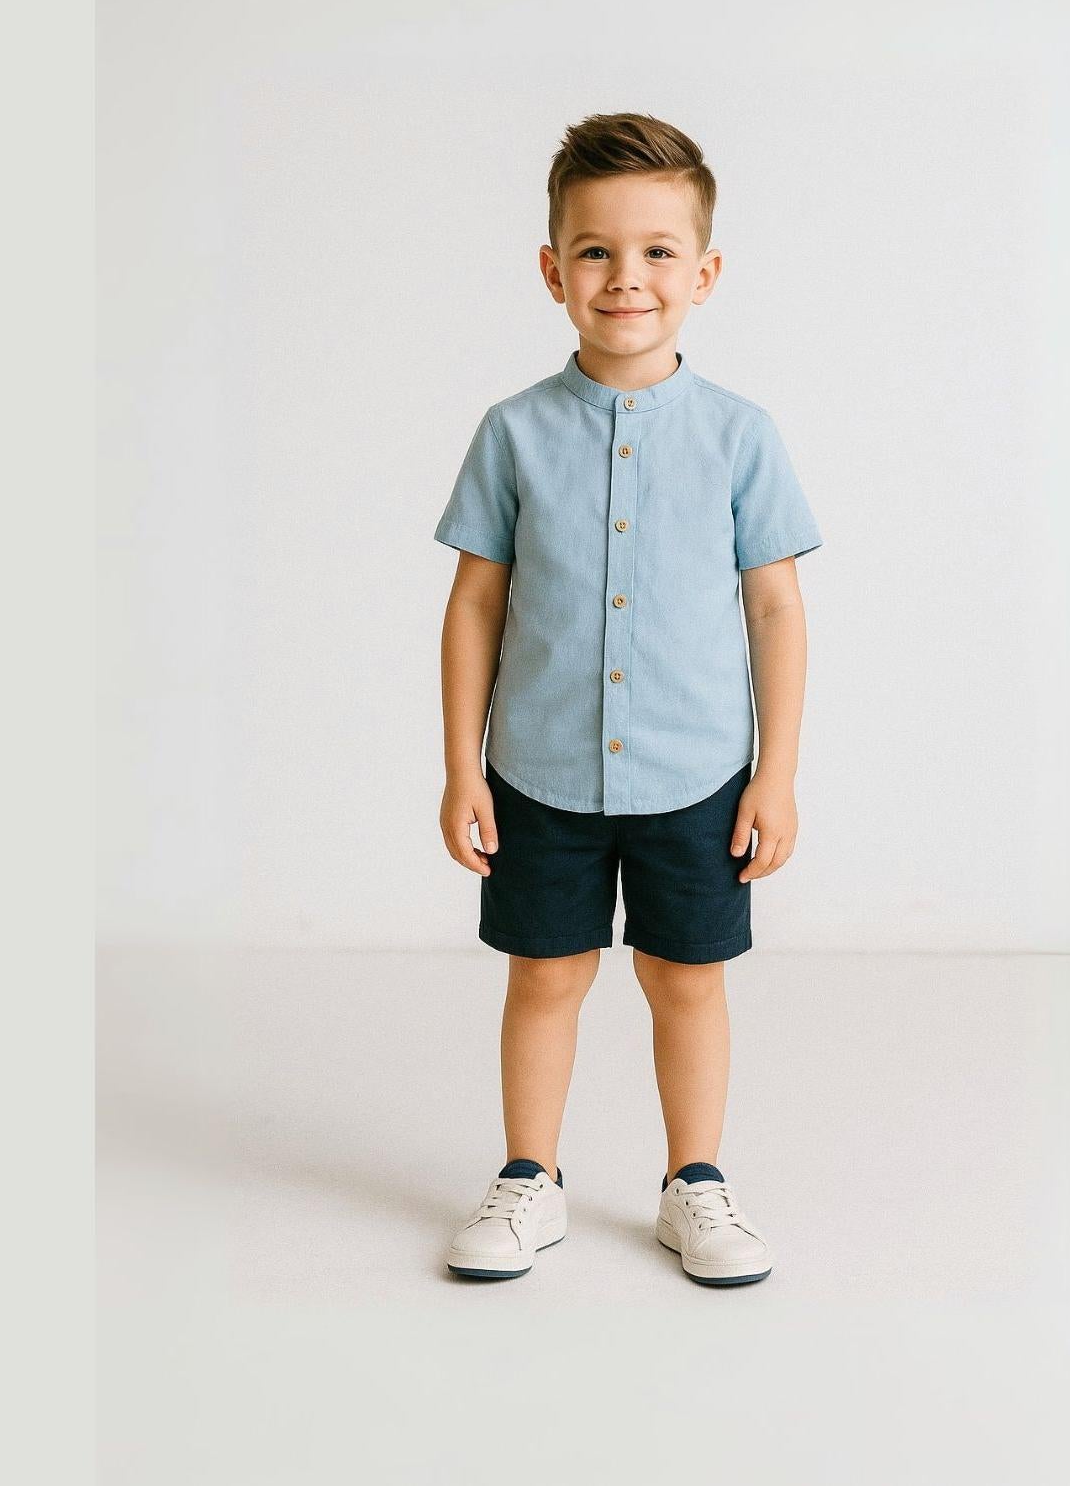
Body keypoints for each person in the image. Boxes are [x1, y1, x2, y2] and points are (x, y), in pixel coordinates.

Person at [433, 112, 823, 1285]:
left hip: (695, 772)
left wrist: (777, 772)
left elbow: (775, 610)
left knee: (683, 979)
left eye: (658, 251)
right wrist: (461, 768)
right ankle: (528, 1179)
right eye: (595, 250)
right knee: (545, 975)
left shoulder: (741, 437)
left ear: (703, 272)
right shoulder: (511, 433)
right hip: (540, 769)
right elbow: (474, 609)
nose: (626, 277)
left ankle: (694, 1182)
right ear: (552, 269)